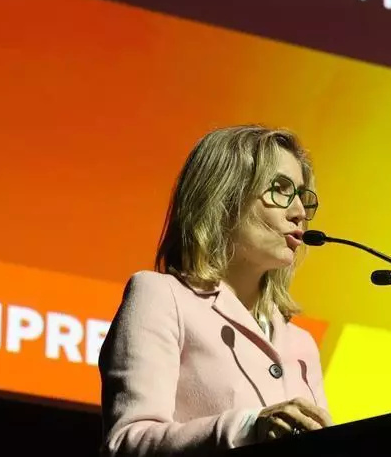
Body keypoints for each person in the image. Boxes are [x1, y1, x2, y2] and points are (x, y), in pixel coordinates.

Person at [99, 125, 333, 456]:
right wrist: (249, 428)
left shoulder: (302, 344)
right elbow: (127, 442)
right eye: (280, 190)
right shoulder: (162, 297)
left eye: (302, 198)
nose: (298, 213)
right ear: (224, 197)